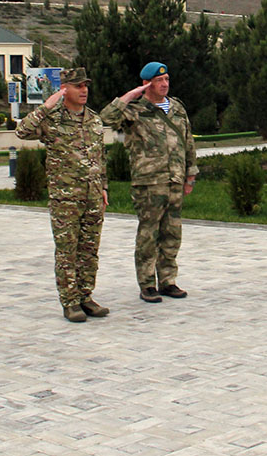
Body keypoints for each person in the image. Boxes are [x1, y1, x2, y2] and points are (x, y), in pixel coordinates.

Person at [15, 67, 109, 322]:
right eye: (78, 86)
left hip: (91, 196)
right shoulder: (52, 119)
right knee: (67, 251)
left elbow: (100, 157)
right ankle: (70, 302)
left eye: (85, 85)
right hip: (65, 198)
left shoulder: (93, 119)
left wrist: (103, 187)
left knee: (89, 250)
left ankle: (86, 296)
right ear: (64, 89)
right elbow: (22, 131)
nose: (84, 90)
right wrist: (47, 106)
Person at [100, 62, 198, 303]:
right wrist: (132, 95)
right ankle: (147, 284)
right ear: (147, 84)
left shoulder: (176, 108)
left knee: (172, 233)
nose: (164, 84)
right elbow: (105, 118)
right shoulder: (133, 110)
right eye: (158, 81)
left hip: (174, 180)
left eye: (166, 80)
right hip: (149, 183)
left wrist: (190, 174)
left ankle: (168, 280)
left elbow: (188, 141)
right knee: (148, 235)